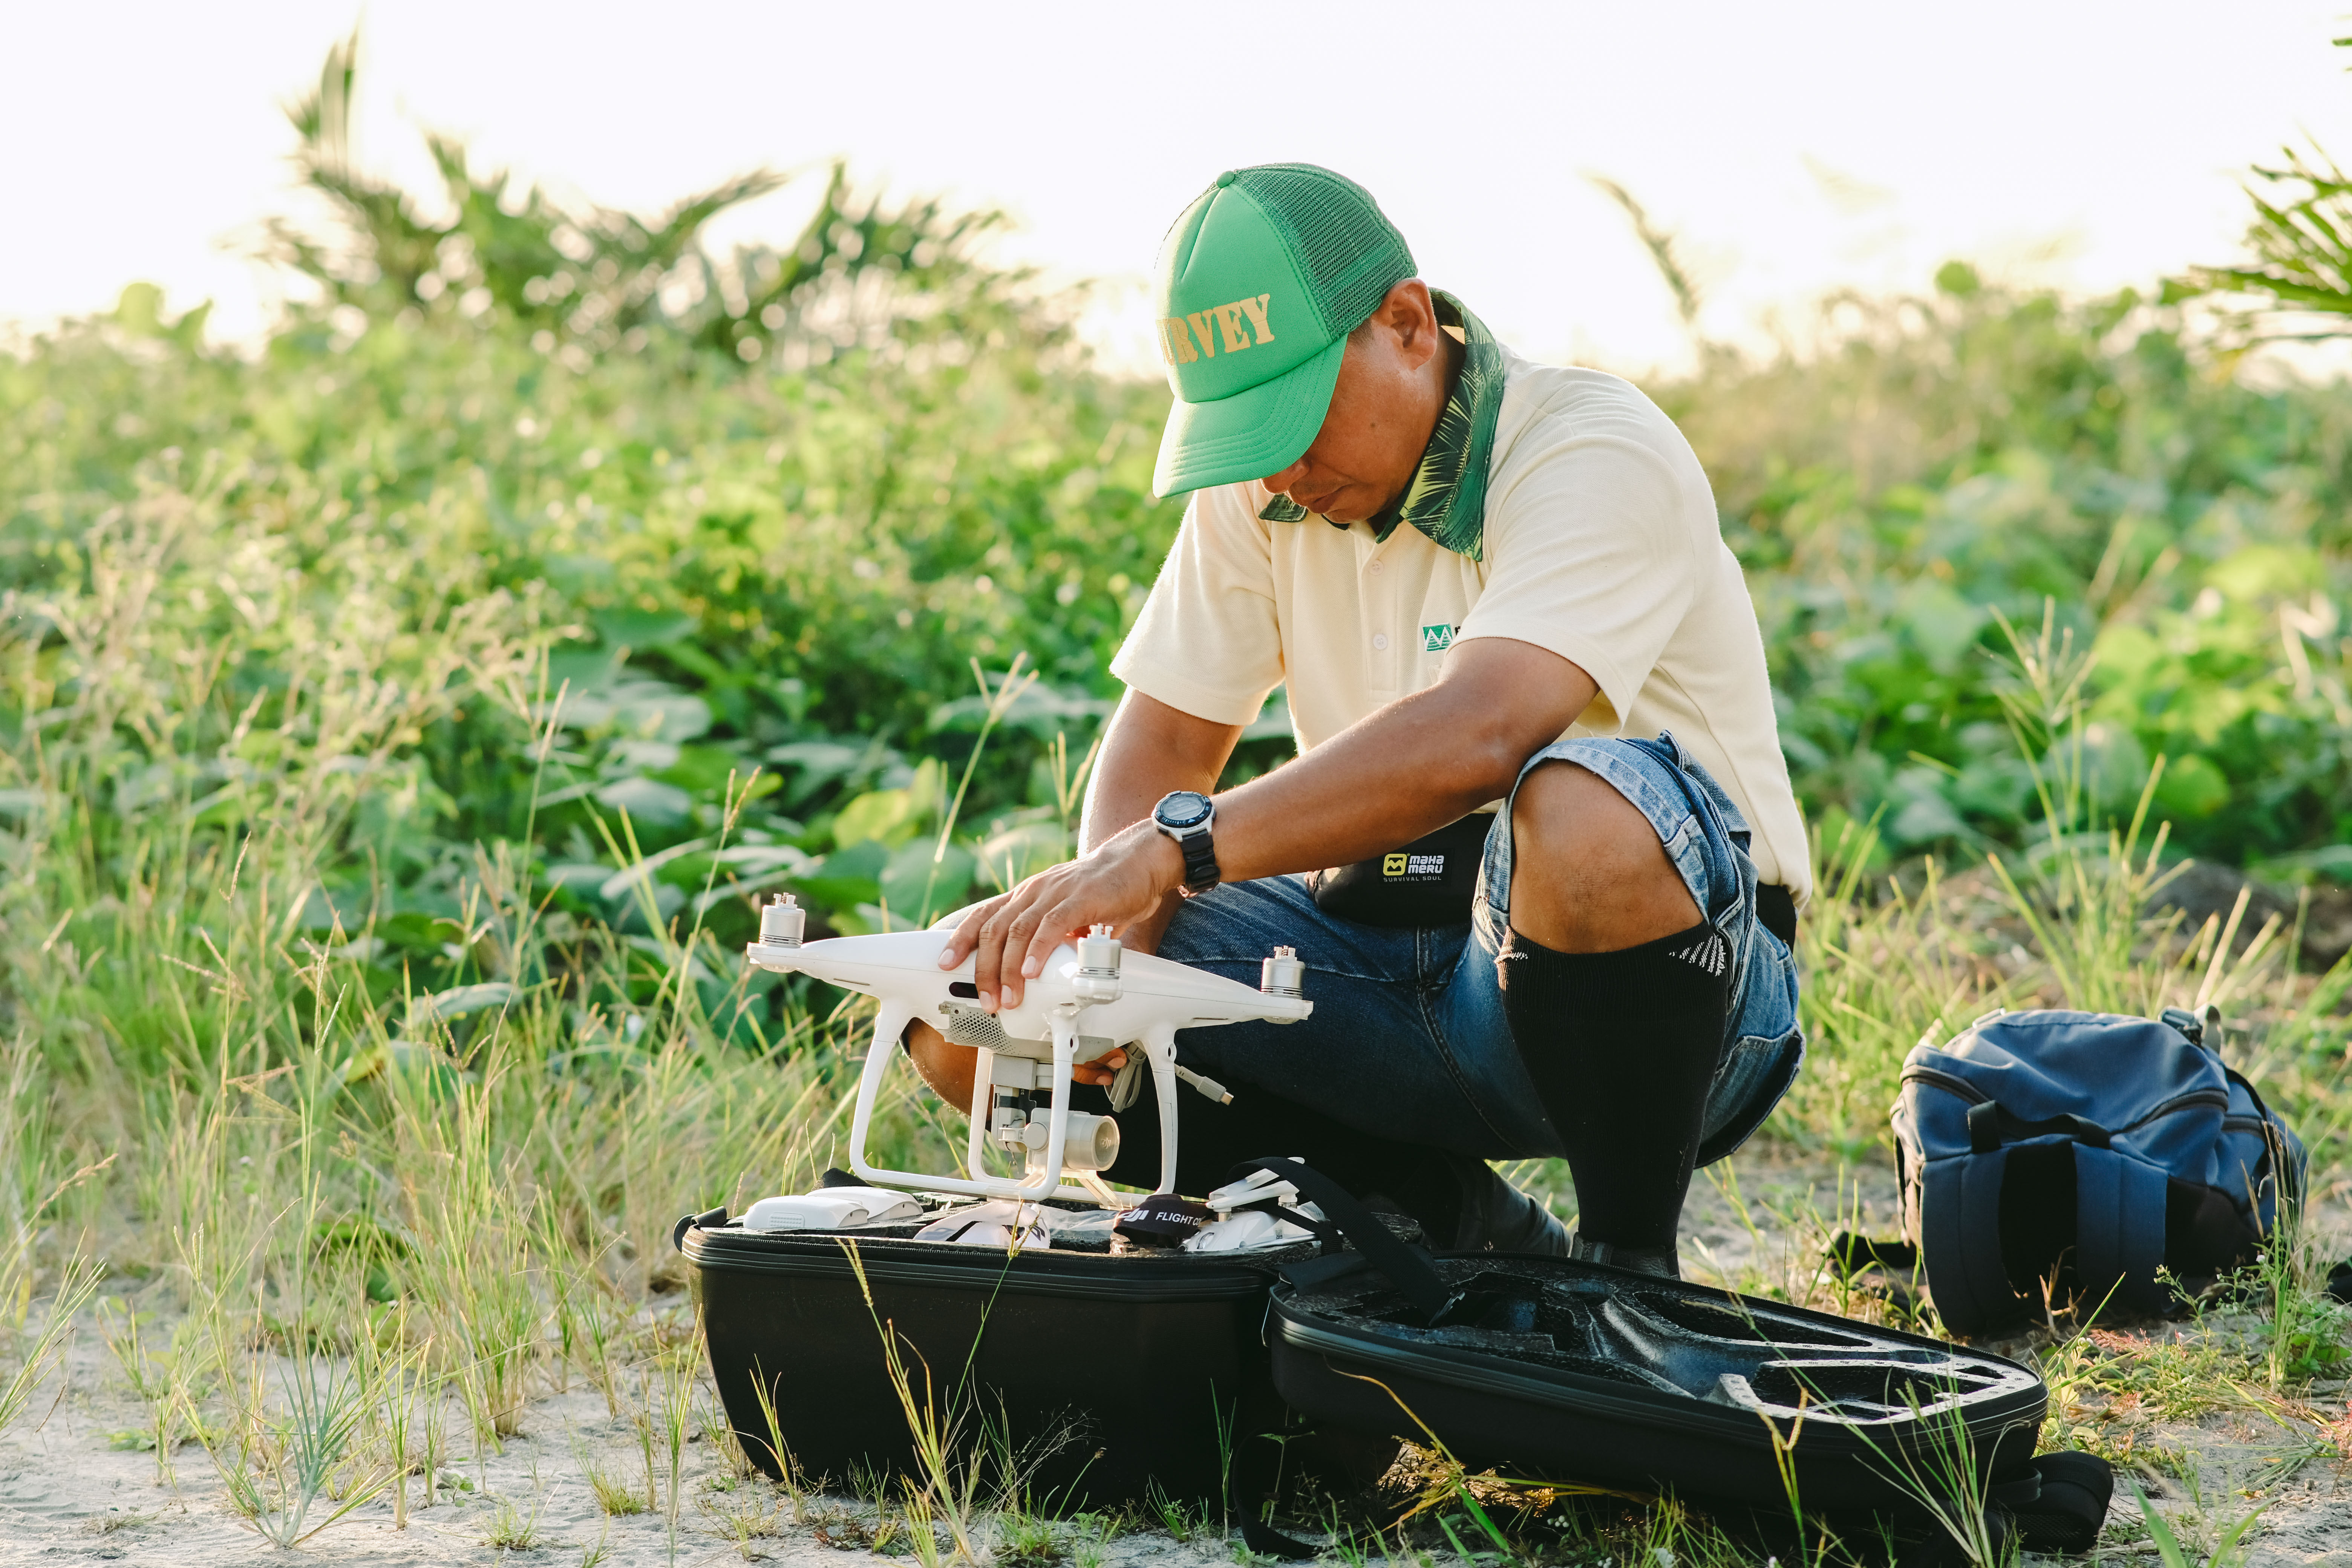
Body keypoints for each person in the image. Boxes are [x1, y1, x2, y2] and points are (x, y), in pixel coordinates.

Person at [910, 164, 1807, 1277]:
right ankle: (1429, 1222)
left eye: (1296, 413)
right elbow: (1168, 740)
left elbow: (1485, 730)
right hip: (1378, 942)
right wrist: (1107, 956)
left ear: (1407, 324)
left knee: (1579, 808)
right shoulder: (1265, 488)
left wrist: (1166, 854)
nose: (1280, 464)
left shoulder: (1590, 447)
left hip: (1671, 991)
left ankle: (1625, 1275)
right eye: (1246, 433)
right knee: (981, 1009)